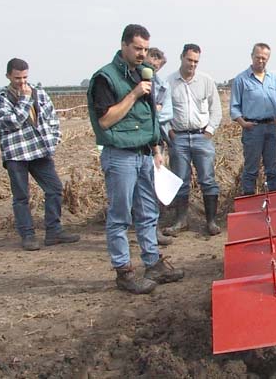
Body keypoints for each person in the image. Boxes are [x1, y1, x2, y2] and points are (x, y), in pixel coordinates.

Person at [87, 24, 184, 294]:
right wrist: (133, 94)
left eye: (145, 49)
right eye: (137, 48)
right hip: (120, 157)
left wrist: (156, 149)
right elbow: (105, 120)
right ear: (124, 46)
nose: (142, 54)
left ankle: (153, 263)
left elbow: (149, 117)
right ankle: (124, 272)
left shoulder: (141, 75)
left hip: (143, 155)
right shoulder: (105, 79)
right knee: (120, 217)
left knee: (148, 212)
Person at [0, 58, 80, 251]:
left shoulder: (39, 93)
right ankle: (28, 235)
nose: (22, 82)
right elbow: (13, 122)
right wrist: (24, 100)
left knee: (55, 189)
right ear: (8, 76)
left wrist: (53, 139)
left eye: (25, 77)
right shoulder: (1, 98)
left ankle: (54, 231)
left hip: (40, 151)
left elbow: (52, 118)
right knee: (21, 196)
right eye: (17, 78)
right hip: (16, 154)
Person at [163, 44, 223, 237]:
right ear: (181, 57)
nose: (192, 64)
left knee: (208, 179)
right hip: (178, 138)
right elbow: (162, 112)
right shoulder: (169, 82)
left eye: (196, 61)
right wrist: (169, 132)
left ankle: (211, 221)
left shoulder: (206, 81)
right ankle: (181, 220)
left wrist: (210, 132)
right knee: (180, 180)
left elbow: (216, 109)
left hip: (201, 137)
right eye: (189, 60)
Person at [230, 43, 276, 196]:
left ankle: (275, 201)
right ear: (252, 56)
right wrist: (243, 123)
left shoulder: (273, 79)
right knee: (251, 169)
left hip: (271, 128)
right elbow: (234, 107)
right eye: (258, 57)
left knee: (273, 169)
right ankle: (248, 202)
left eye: (264, 58)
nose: (261, 61)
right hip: (252, 128)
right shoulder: (241, 79)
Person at [145, 47, 173, 246]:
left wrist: (153, 112)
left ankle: (152, 231)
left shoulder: (162, 86)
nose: (154, 69)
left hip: (156, 142)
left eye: (157, 67)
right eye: (151, 64)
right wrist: (153, 110)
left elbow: (166, 114)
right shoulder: (131, 81)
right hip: (133, 143)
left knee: (154, 188)